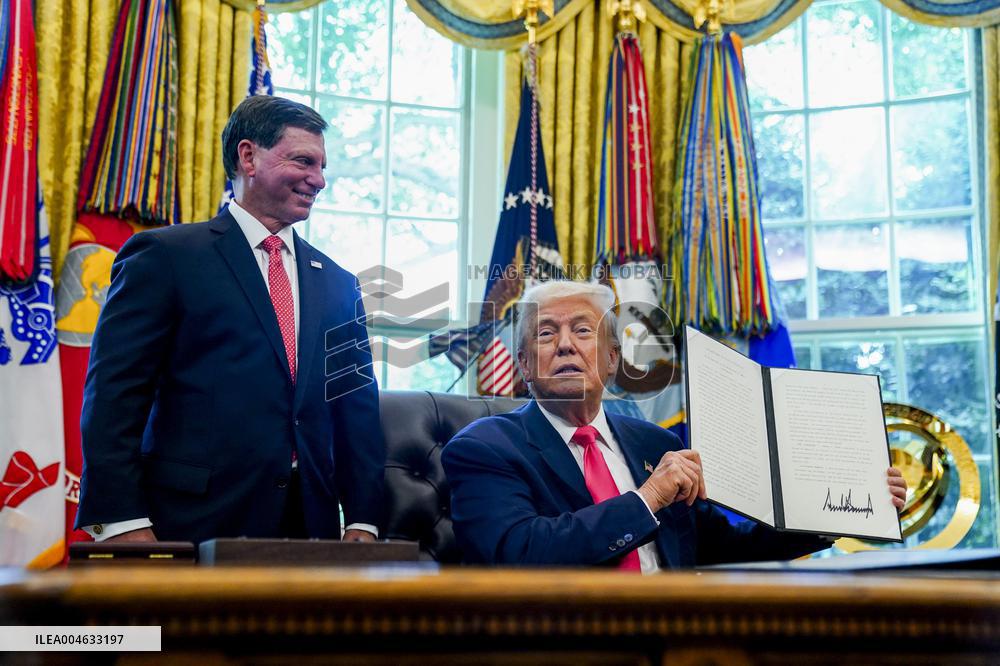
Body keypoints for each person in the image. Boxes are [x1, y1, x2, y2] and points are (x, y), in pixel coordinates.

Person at [75, 96, 385, 545]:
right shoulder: (166, 257)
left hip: (308, 530)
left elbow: (357, 411)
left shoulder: (338, 283)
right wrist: (119, 521)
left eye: (322, 167)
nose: (318, 180)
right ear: (248, 156)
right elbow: (114, 396)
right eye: (304, 161)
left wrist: (363, 519)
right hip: (188, 524)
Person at [441, 281, 907, 570]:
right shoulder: (484, 448)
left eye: (582, 331)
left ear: (611, 359)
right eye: (546, 334)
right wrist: (647, 500)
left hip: (680, 637)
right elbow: (519, 554)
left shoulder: (655, 443)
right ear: (523, 363)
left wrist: (842, 510)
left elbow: (725, 547)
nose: (565, 345)